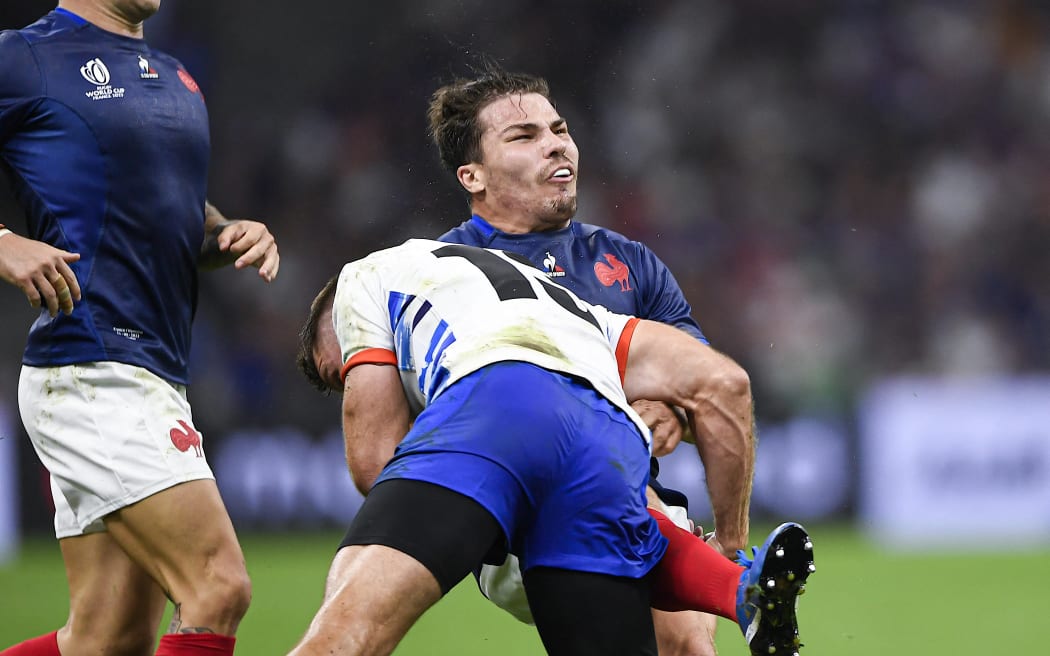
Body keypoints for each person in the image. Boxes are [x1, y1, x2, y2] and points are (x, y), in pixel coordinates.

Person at [292, 240, 815, 656]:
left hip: (492, 406)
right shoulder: (564, 301)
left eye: (337, 373)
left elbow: (375, 461)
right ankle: (737, 584)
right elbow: (725, 384)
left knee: (342, 636)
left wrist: (481, 520)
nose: (347, 381)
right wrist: (729, 541)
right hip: (608, 438)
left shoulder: (362, 278)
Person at [429, 65, 750, 655]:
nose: (555, 144)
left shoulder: (628, 262)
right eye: (523, 136)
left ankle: (732, 574)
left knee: (689, 647)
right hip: (509, 520)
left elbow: (695, 375)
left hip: (629, 498)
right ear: (471, 175)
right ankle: (738, 582)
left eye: (560, 129)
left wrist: (667, 408)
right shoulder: (442, 270)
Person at [0, 2, 279, 655]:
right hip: (92, 368)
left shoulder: (175, 73)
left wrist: (222, 233)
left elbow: (166, 206)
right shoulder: (25, 55)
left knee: (106, 639)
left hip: (152, 371)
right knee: (218, 585)